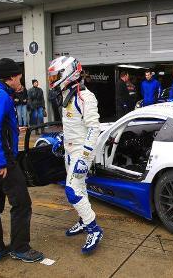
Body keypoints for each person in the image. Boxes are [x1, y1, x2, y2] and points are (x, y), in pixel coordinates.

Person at [0, 58, 44, 265]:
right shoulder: (1, 96)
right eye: (19, 75)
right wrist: (0, 163)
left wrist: (14, 130)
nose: (21, 78)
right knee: (21, 202)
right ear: (11, 77)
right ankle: (20, 248)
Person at [47, 56, 103, 254]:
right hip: (70, 151)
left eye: (56, 76)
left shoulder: (85, 96)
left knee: (72, 191)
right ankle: (83, 219)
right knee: (80, 188)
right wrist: (62, 140)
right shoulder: (68, 94)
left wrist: (85, 157)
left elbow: (93, 129)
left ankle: (94, 229)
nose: (52, 81)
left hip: (81, 153)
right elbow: (73, 125)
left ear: (69, 73)